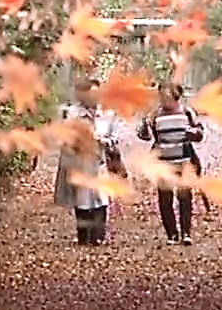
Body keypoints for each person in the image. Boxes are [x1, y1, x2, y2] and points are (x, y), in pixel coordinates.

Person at [52, 79, 122, 245]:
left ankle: (98, 235)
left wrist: (105, 141)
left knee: (101, 197)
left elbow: (115, 137)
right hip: (80, 162)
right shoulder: (73, 113)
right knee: (83, 199)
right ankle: (84, 235)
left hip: (101, 161)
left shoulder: (108, 113)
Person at [138, 82, 206, 245]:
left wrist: (194, 133)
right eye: (161, 95)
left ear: (176, 95)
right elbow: (145, 136)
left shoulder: (187, 112)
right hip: (163, 164)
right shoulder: (155, 115)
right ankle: (172, 234)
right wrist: (145, 125)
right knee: (165, 199)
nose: (164, 98)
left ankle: (186, 233)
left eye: (167, 95)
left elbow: (200, 133)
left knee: (184, 197)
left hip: (184, 161)